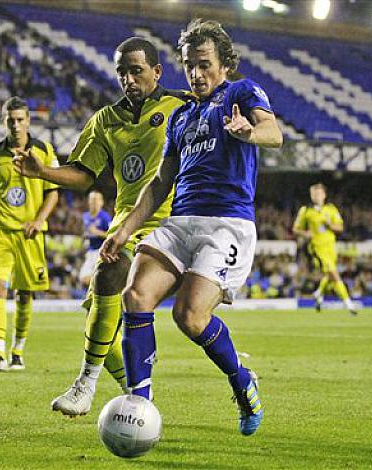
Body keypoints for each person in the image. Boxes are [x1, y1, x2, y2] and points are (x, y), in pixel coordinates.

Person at [99, 19, 282, 436]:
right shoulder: (181, 117)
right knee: (135, 295)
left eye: (204, 64)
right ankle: (139, 407)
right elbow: (160, 182)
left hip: (227, 224)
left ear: (223, 64)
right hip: (180, 222)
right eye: (188, 65)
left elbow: (274, 133)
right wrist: (123, 230)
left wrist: (249, 132)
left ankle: (241, 380)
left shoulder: (241, 92)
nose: (195, 74)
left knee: (190, 316)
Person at [13, 37, 190, 415]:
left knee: (110, 276)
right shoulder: (105, 120)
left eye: (136, 71)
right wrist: (43, 172)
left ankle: (85, 384)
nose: (128, 79)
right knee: (99, 321)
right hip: (127, 222)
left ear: (157, 71)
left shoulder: (182, 106)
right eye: (122, 72)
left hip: (172, 222)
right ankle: (137, 393)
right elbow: (82, 175)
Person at [0, 96, 59, 371]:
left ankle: (17, 351)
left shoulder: (44, 151)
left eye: (20, 119)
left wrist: (39, 220)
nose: (15, 125)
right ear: (4, 121)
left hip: (29, 234)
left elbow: (53, 193)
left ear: (28, 121)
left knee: (24, 294)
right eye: (10, 120)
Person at [292, 183, 357, 315]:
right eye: (314, 194)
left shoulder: (331, 209)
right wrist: (306, 233)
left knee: (329, 274)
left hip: (331, 247)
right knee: (333, 273)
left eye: (319, 193)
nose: (316, 196)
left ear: (324, 195)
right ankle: (348, 303)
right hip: (317, 247)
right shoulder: (306, 211)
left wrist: (330, 224)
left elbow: (340, 227)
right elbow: (295, 229)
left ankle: (319, 293)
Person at [79, 190, 112, 288]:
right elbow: (84, 232)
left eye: (96, 199)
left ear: (101, 202)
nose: (94, 202)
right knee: (83, 279)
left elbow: (111, 235)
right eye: (92, 199)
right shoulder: (85, 216)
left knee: (89, 279)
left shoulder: (105, 217)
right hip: (90, 252)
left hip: (101, 251)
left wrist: (97, 232)